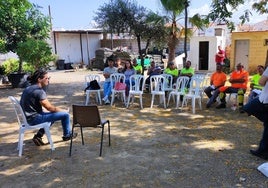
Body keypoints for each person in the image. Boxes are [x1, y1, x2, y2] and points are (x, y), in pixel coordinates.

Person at [20, 69, 76, 146]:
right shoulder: (39, 91)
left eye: (48, 78)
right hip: (34, 119)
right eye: (46, 78)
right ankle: (67, 135)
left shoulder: (28, 88)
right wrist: (63, 110)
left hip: (28, 118)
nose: (48, 80)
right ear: (39, 79)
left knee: (52, 115)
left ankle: (38, 136)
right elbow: (50, 108)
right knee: (65, 115)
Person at [243, 66, 268, 159]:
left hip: (264, 100)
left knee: (247, 107)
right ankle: (263, 151)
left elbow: (261, 82)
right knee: (267, 127)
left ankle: (263, 150)